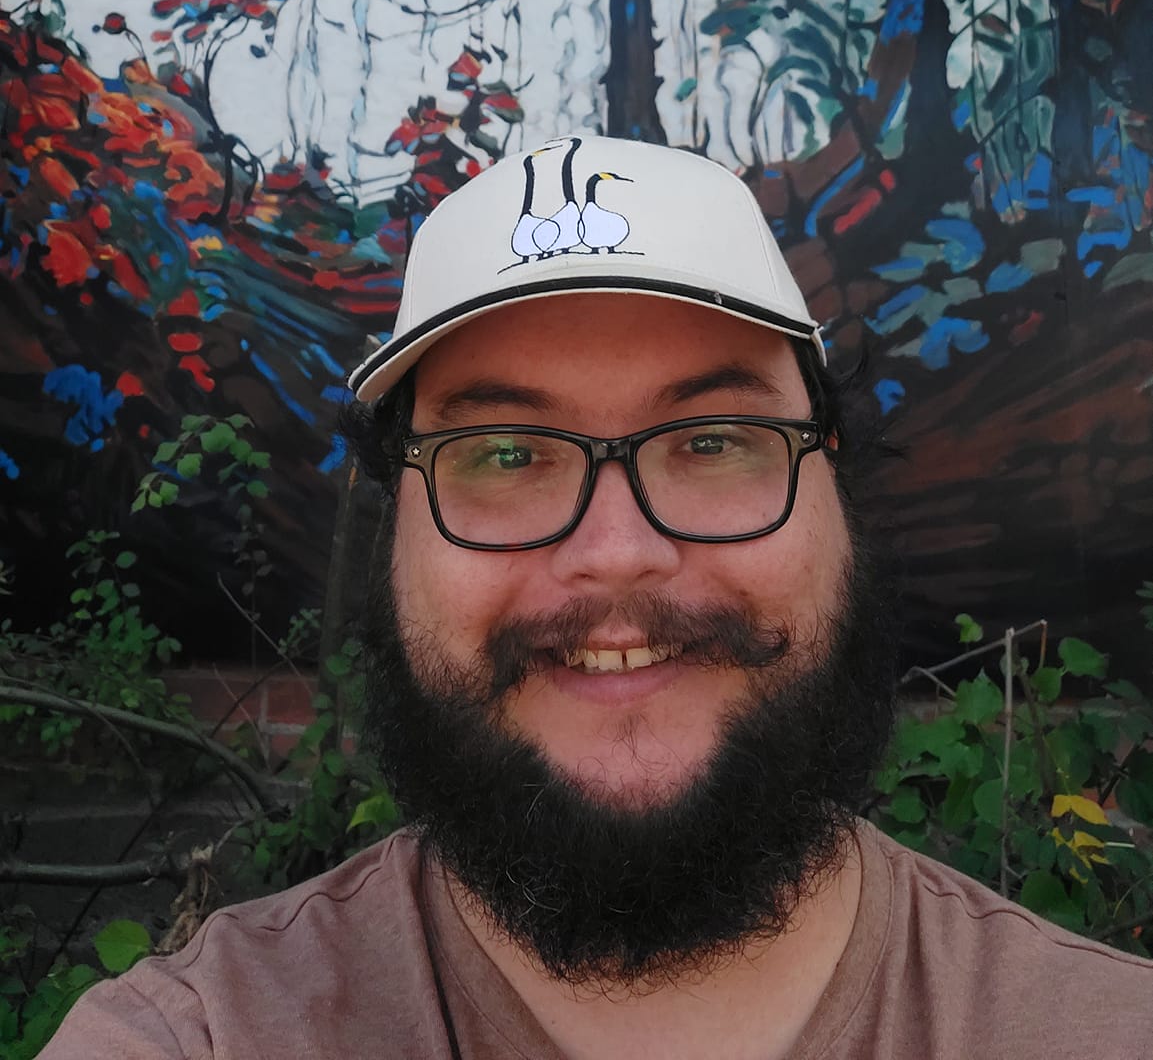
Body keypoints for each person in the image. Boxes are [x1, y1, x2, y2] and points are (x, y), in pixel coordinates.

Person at [45, 135, 1153, 1058]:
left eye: (715, 438)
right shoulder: (202, 1037)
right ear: (398, 534)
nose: (616, 551)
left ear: (840, 494)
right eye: (506, 450)